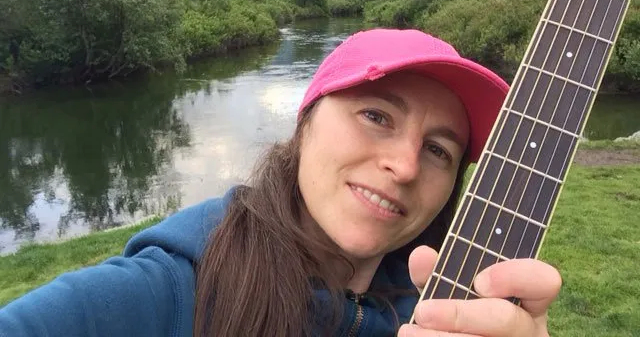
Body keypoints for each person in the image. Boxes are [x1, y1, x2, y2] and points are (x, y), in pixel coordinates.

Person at [0, 28, 562, 337]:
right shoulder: (165, 293)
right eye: (376, 116)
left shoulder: (445, 311)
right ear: (305, 123)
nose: (407, 166)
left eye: (439, 149)